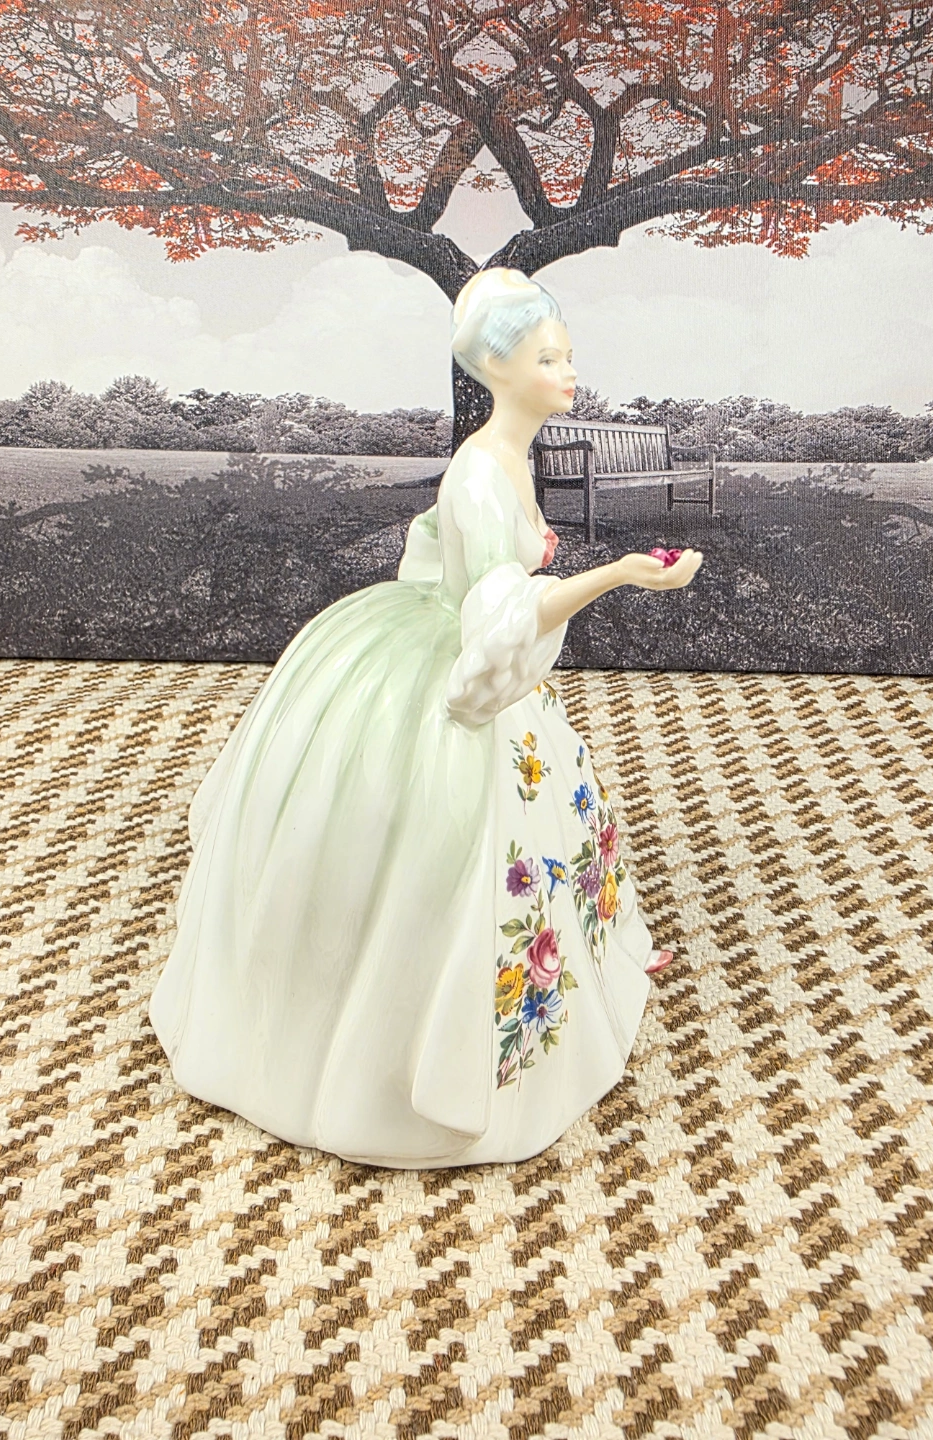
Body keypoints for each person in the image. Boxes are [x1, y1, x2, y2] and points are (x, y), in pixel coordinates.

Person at [148, 268, 703, 1167]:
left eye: (567, 354)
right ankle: (366, 1059)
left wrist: (531, 550)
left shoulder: (507, 455)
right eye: (548, 358)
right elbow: (497, 628)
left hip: (464, 650)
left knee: (553, 815)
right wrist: (618, 575)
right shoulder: (480, 472)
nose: (569, 372)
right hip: (450, 675)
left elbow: (449, 552)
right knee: (444, 843)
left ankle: (590, 963)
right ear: (501, 369)